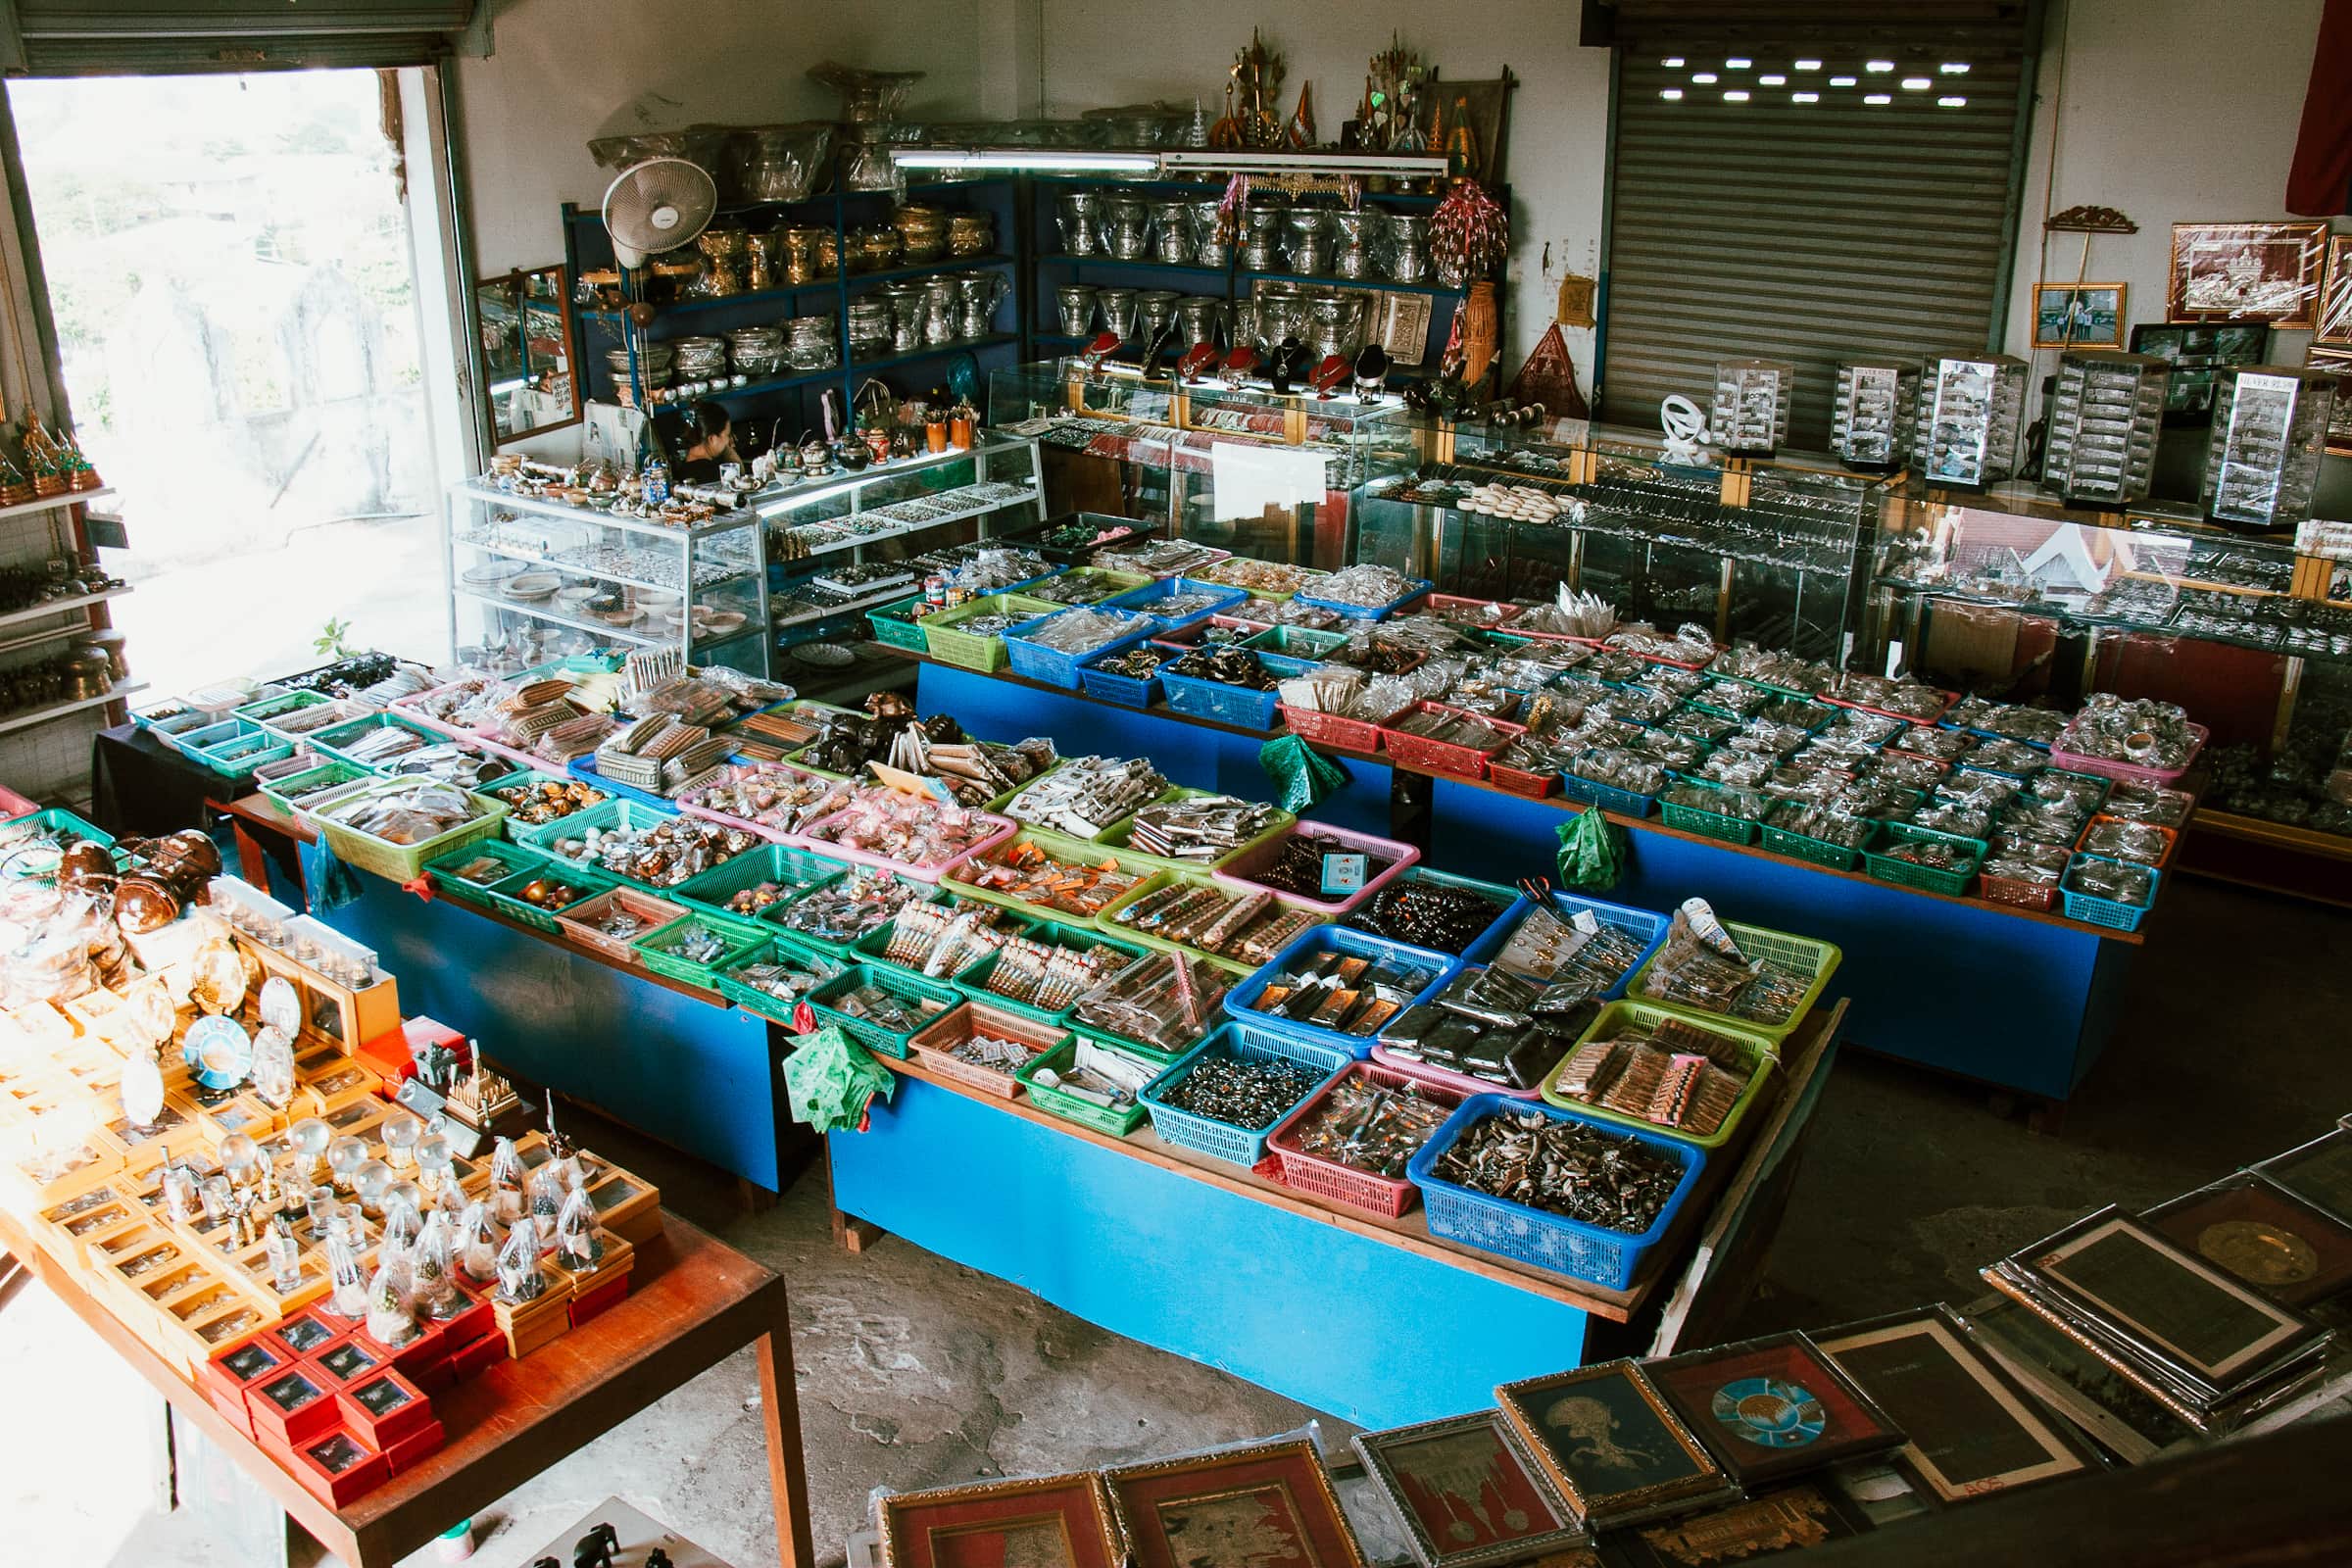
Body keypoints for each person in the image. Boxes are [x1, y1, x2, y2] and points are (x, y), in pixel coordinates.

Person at [651, 400, 739, 484]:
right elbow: (738, 476)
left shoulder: (685, 467)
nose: (729, 440)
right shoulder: (713, 473)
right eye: (727, 435)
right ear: (712, 439)